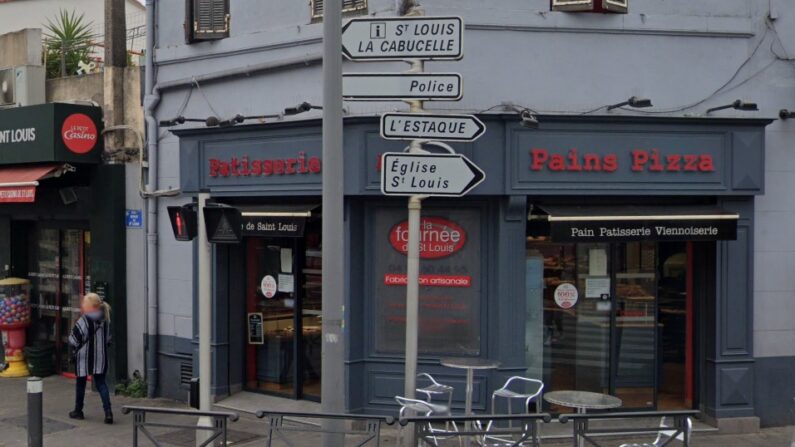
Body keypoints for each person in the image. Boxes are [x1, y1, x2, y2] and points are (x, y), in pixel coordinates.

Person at [68, 293, 113, 424]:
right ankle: (108, 412)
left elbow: (74, 339)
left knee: (80, 383)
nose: (82, 305)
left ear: (90, 306)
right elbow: (108, 340)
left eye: (84, 304)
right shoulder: (105, 319)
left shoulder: (84, 320)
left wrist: (72, 352)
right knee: (101, 384)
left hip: (84, 357)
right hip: (100, 357)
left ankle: (78, 410)